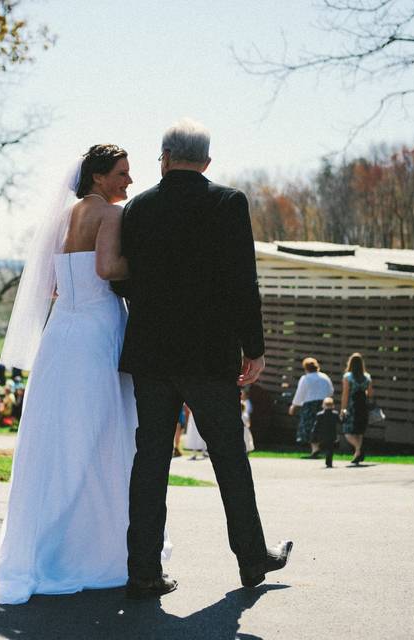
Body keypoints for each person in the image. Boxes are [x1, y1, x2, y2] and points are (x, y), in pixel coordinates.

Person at [0, 144, 171, 605]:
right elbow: (107, 268)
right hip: (97, 329)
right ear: (98, 176)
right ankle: (89, 549)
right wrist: (151, 266)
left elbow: (57, 280)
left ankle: (45, 542)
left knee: (58, 434)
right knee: (103, 434)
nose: (129, 182)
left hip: (61, 334)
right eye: (122, 173)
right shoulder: (110, 216)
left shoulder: (67, 215)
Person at [119, 119, 292, 599]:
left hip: (152, 354)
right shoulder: (228, 203)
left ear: (165, 157)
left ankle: (143, 571)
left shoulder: (138, 207)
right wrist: (252, 348)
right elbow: (244, 281)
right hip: (210, 354)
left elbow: (123, 278)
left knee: (150, 461)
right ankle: (253, 559)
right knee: (230, 459)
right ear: (208, 162)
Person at [287, 357, 334, 457]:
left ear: (306, 368)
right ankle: (317, 448)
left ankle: (315, 448)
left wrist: (294, 406)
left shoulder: (305, 378)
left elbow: (300, 393)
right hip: (323, 404)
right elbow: (331, 391)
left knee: (310, 426)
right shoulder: (324, 377)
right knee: (321, 426)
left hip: (309, 405)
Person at [340, 352, 373, 465]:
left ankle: (359, 448)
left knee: (347, 431)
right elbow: (370, 393)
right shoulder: (367, 377)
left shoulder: (347, 377)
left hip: (352, 405)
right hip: (363, 405)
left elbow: (345, 393)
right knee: (359, 431)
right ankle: (357, 454)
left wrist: (343, 408)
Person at [312, 397, 340, 468]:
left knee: (324, 446)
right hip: (332, 434)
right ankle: (329, 462)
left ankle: (320, 451)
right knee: (330, 449)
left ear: (323, 405)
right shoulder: (335, 414)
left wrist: (314, 433)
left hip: (322, 434)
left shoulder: (319, 414)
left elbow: (316, 425)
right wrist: (344, 415)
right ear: (333, 406)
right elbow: (340, 422)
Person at [240, 387, 255, 453]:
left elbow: (248, 412)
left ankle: (247, 450)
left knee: (246, 439)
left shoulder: (247, 402)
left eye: (242, 394)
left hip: (244, 423)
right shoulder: (241, 401)